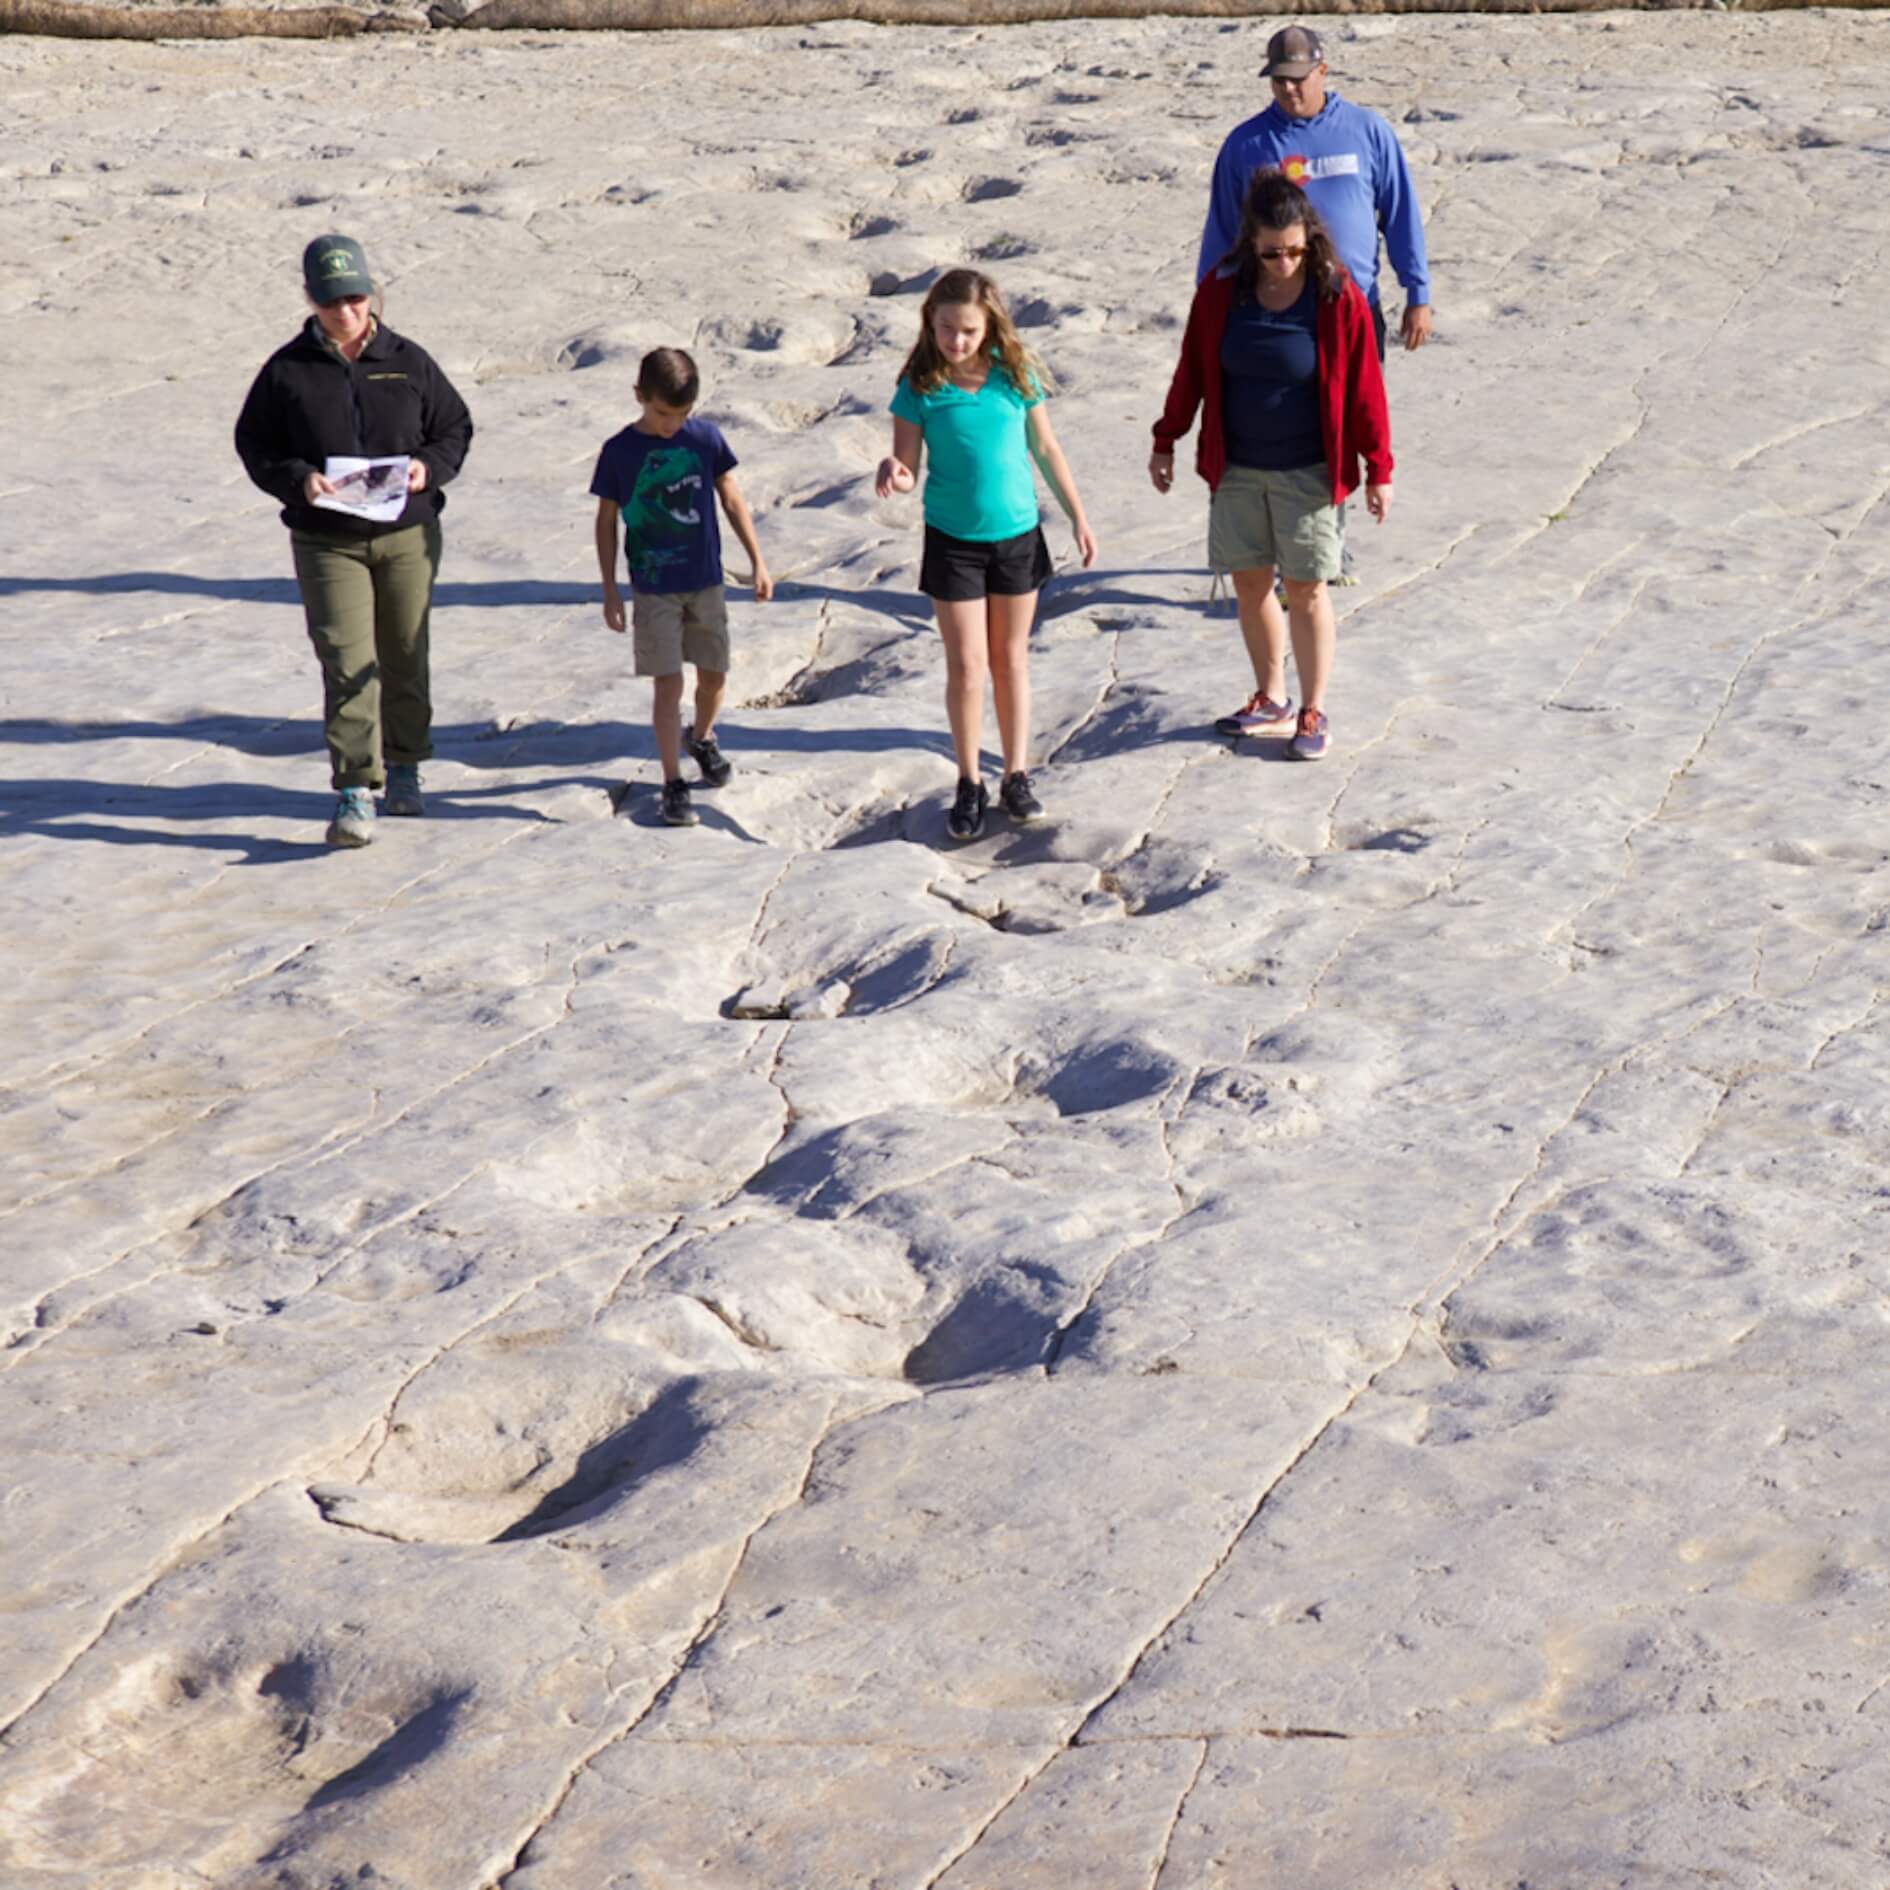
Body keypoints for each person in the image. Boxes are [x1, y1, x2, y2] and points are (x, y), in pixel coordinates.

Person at [235, 234, 473, 847]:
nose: (345, 312)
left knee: (404, 653)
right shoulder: (287, 370)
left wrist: (429, 467)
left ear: (373, 294)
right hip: (327, 539)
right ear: (311, 300)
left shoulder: (407, 359)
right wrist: (299, 481)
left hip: (406, 534)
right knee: (345, 660)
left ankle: (406, 766)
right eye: (332, 301)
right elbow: (255, 445)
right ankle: (353, 789)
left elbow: (453, 427)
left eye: (356, 298)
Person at [1151, 169, 1392, 762]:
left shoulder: (1337, 295)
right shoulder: (1220, 289)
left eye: (1293, 250)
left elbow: (1365, 389)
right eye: (1271, 252)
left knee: (1306, 589)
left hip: (1309, 469)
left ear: (1308, 238)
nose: (1283, 261)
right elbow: (1192, 371)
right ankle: (1271, 697)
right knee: (1250, 580)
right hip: (1237, 466)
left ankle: (1312, 706)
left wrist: (1378, 468)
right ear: (1249, 243)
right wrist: (1167, 438)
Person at [874, 268, 1096, 842]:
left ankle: (1016, 775)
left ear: (989, 326)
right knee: (968, 666)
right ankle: (969, 781)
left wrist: (1077, 515)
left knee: (1010, 659)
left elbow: (1046, 448)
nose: (956, 341)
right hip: (952, 541)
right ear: (931, 324)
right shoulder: (919, 385)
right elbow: (907, 467)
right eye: (947, 329)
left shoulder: (1014, 375)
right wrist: (894, 472)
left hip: (1017, 536)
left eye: (968, 330)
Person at [590, 347, 772, 829]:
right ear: (640, 398)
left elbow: (730, 496)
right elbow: (606, 520)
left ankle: (703, 737)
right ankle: (673, 782)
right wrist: (610, 589)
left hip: (706, 582)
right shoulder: (619, 452)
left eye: (682, 414)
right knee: (667, 684)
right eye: (662, 413)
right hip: (653, 588)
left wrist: (757, 561)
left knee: (713, 674)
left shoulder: (705, 439)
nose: (672, 425)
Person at [1198, 26, 1432, 358]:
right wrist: (1208, 312)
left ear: (1321, 71)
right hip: (1275, 316)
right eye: (1279, 80)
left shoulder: (1368, 131)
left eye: (1298, 79)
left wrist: (1417, 294)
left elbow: (1400, 216)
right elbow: (1222, 233)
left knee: (1359, 409)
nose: (1288, 89)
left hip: (1356, 307)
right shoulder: (1245, 145)